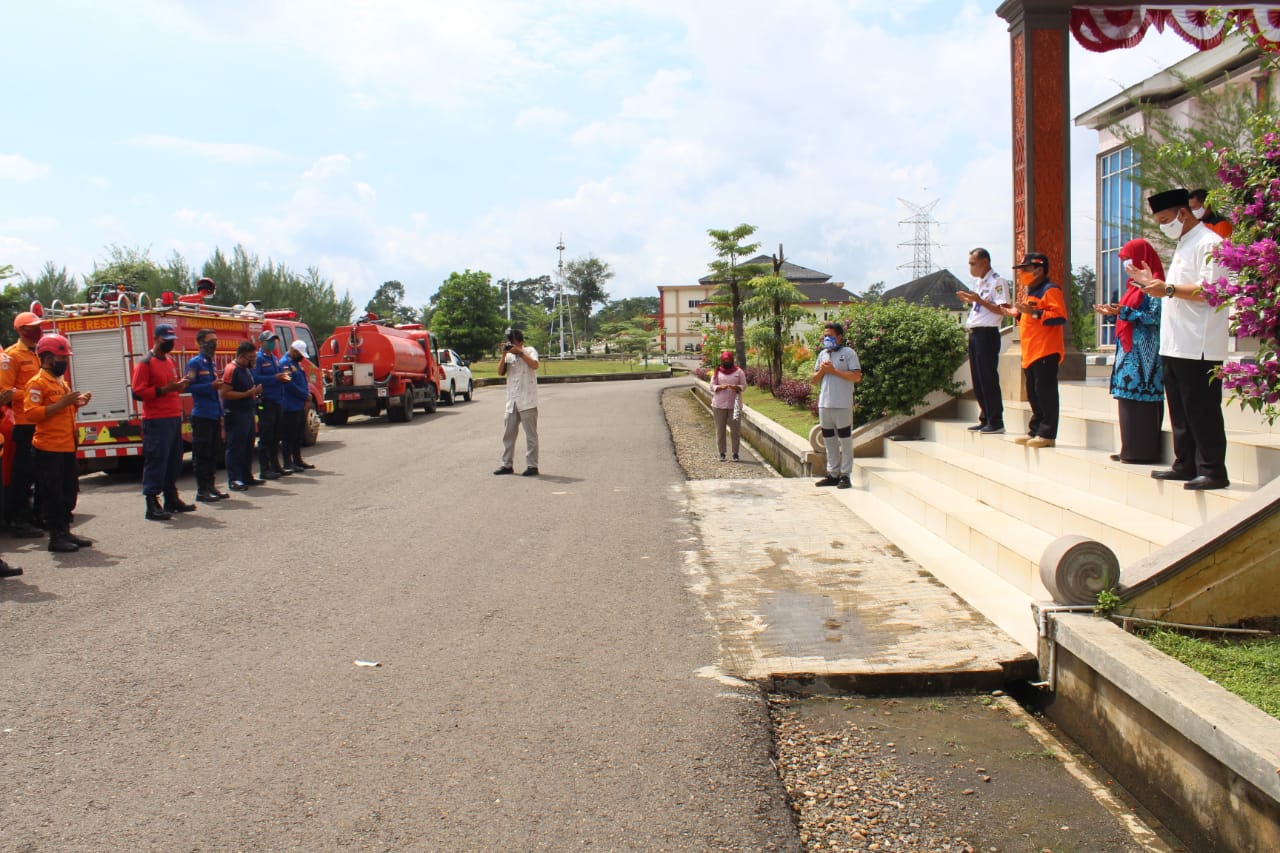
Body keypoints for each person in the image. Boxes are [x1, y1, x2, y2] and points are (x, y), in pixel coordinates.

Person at [1127, 187, 1230, 490]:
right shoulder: (1185, 244)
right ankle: (1185, 463)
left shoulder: (1211, 243)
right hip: (1175, 342)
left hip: (1199, 344)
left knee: (1202, 409)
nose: (1163, 225)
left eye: (1165, 219)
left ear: (1183, 213)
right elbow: (1175, 288)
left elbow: (1212, 291)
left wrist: (1167, 289)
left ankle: (1213, 470)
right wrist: (1153, 284)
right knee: (1180, 410)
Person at [1094, 239, 1165, 464]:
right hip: (1128, 351)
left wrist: (1124, 312)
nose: (1126, 266)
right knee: (1126, 398)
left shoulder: (1156, 285)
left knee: (1141, 399)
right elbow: (1128, 313)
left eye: (1129, 260)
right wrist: (1115, 311)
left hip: (1145, 352)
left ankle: (1142, 451)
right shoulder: (1132, 287)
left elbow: (1155, 316)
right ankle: (1129, 448)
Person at [24, 334, 93, 553]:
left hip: (66, 446)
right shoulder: (36, 383)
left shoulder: (60, 382)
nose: (64, 361)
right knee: (52, 494)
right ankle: (56, 537)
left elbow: (64, 411)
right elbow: (31, 414)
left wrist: (77, 403)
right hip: (48, 449)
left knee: (68, 492)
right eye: (61, 357)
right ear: (48, 358)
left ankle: (65, 531)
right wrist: (63, 403)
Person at [130, 323, 193, 520]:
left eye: (172, 341)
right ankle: (152, 502)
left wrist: (179, 386)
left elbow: (171, 387)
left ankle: (171, 498)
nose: (170, 344)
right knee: (157, 460)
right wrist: (164, 390)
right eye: (166, 341)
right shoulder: (146, 363)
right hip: (156, 420)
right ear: (156, 339)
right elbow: (137, 392)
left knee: (174, 460)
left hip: (172, 417)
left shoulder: (169, 361)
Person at [1003, 253, 1066, 449]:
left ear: (1038, 269)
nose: (1022, 274)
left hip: (1046, 350)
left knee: (1045, 392)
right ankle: (1036, 429)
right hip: (1031, 352)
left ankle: (1047, 433)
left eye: (1025, 269)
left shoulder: (1050, 290)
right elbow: (1030, 320)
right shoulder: (1031, 292)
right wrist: (1018, 315)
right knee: (1033, 392)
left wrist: (1034, 312)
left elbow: (1059, 316)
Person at [0, 312, 48, 537]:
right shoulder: (11, 357)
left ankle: (37, 516)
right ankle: (18, 521)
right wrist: (33, 393)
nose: (38, 330)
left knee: (40, 474)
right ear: (21, 330)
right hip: (23, 423)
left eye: (38, 326)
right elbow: (4, 393)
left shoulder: (39, 353)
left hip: (41, 422)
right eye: (32, 327)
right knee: (22, 476)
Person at [956, 247, 1011, 434]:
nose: (971, 268)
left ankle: (996, 420)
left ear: (985, 262)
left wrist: (979, 300)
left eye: (973, 263)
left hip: (987, 333)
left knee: (988, 377)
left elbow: (1002, 310)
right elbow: (980, 305)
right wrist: (972, 301)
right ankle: (985, 417)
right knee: (978, 379)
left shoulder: (998, 281)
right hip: (975, 332)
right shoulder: (980, 282)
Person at [809, 321, 862, 489]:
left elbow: (856, 376)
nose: (827, 339)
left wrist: (834, 371)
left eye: (830, 336)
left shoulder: (849, 353)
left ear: (839, 337)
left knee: (845, 440)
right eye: (825, 336)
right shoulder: (822, 354)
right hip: (825, 404)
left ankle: (845, 475)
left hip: (842, 404)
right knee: (829, 440)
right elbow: (814, 379)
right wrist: (823, 371)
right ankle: (833, 473)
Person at [186, 328, 229, 502]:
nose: (214, 344)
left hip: (213, 414)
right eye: (211, 341)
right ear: (201, 342)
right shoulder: (194, 363)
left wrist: (220, 414)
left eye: (215, 341)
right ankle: (202, 490)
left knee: (213, 453)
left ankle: (211, 486)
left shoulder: (211, 362)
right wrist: (209, 386)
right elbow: (189, 387)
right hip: (202, 415)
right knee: (202, 455)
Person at [493, 328, 540, 477]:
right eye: (508, 342)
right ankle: (507, 464)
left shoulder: (530, 350)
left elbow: (534, 364)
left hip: (528, 401)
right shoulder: (509, 356)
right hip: (512, 401)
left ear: (520, 341)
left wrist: (519, 352)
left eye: (512, 342)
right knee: (508, 435)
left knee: (531, 436)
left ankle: (532, 465)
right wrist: (504, 354)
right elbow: (500, 372)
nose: (510, 344)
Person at [221, 342, 262, 491]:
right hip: (236, 413)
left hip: (247, 412)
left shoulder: (246, 369)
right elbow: (224, 393)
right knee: (236, 447)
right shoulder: (232, 369)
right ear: (241, 356)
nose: (253, 361)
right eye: (250, 358)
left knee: (247, 446)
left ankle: (246, 476)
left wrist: (255, 392)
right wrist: (247, 394)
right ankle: (235, 479)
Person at [253, 330, 290, 480]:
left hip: (277, 400)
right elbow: (255, 377)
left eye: (274, 340)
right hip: (266, 401)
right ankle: (265, 469)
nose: (272, 343)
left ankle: (276, 466)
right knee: (266, 436)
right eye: (269, 340)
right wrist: (274, 378)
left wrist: (284, 376)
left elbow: (279, 374)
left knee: (276, 436)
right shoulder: (258, 358)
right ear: (261, 342)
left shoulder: (274, 358)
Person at [278, 340, 310, 474]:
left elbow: (303, 381)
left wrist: (307, 394)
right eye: (300, 354)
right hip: (289, 404)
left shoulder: (296, 363)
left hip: (298, 404)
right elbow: (289, 384)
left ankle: (298, 460)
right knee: (289, 436)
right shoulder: (285, 363)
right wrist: (304, 395)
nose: (301, 356)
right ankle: (288, 463)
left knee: (298, 434)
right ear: (293, 351)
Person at [708, 350, 747, 461]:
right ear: (722, 360)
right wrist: (719, 387)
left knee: (735, 430)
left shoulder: (739, 372)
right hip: (719, 405)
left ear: (732, 360)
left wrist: (736, 387)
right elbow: (711, 386)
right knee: (720, 429)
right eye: (725, 360)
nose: (727, 361)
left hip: (735, 405)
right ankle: (722, 453)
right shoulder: (717, 372)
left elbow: (744, 385)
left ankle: (735, 453)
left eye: (729, 359)